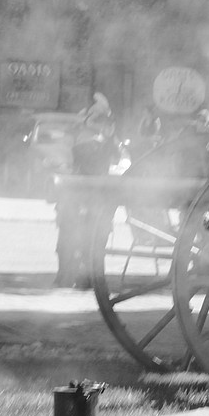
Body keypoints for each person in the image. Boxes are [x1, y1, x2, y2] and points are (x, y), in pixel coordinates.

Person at [55, 93, 119, 288]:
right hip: (76, 193)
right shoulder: (77, 135)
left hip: (96, 195)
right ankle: (67, 275)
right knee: (70, 236)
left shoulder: (108, 139)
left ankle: (89, 277)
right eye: (98, 119)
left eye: (103, 120)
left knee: (95, 238)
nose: (101, 124)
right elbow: (64, 160)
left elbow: (116, 161)